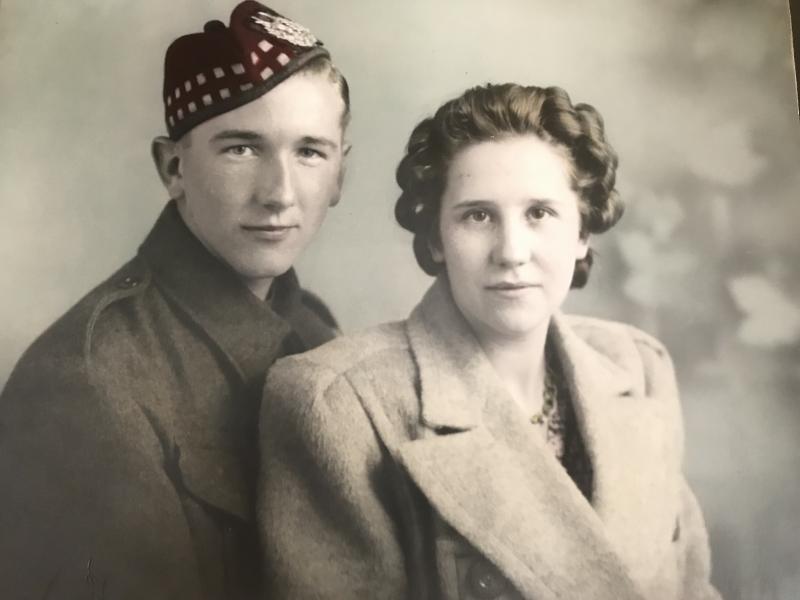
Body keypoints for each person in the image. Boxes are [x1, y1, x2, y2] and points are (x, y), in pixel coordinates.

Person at [258, 83, 721, 599]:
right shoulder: (338, 405)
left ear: (583, 233)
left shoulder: (637, 367)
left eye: (539, 213)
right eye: (477, 216)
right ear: (436, 237)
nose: (511, 251)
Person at [0, 2, 349, 598]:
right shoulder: (88, 381)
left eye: (310, 151)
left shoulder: (314, 329)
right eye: (241, 148)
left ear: (340, 175)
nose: (280, 193)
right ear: (173, 167)